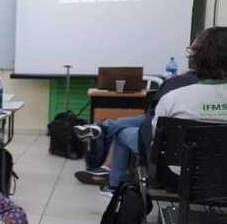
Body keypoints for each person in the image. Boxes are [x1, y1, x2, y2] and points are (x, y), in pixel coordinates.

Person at [76, 27, 227, 196]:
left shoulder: (174, 97)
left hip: (177, 174)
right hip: (222, 176)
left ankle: (113, 183)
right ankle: (105, 133)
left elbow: (152, 137)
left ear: (198, 57)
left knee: (125, 132)